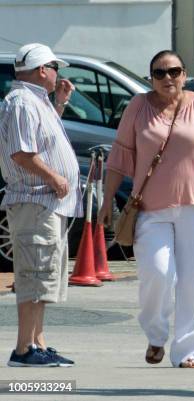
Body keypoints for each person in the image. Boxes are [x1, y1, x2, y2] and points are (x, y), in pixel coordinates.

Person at [97, 50, 194, 368]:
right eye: (160, 73)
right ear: (150, 77)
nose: (168, 78)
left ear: (185, 74)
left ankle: (186, 352)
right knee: (157, 272)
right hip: (150, 209)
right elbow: (119, 157)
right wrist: (107, 200)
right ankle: (155, 335)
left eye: (174, 71)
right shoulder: (137, 107)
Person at [0, 43, 80, 367]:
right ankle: (23, 349)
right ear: (42, 69)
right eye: (54, 67)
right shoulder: (21, 102)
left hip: (46, 203)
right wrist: (54, 179)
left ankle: (37, 341)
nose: (58, 73)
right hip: (35, 200)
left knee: (45, 275)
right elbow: (22, 152)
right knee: (34, 274)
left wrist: (59, 103)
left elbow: (44, 141)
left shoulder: (36, 101)